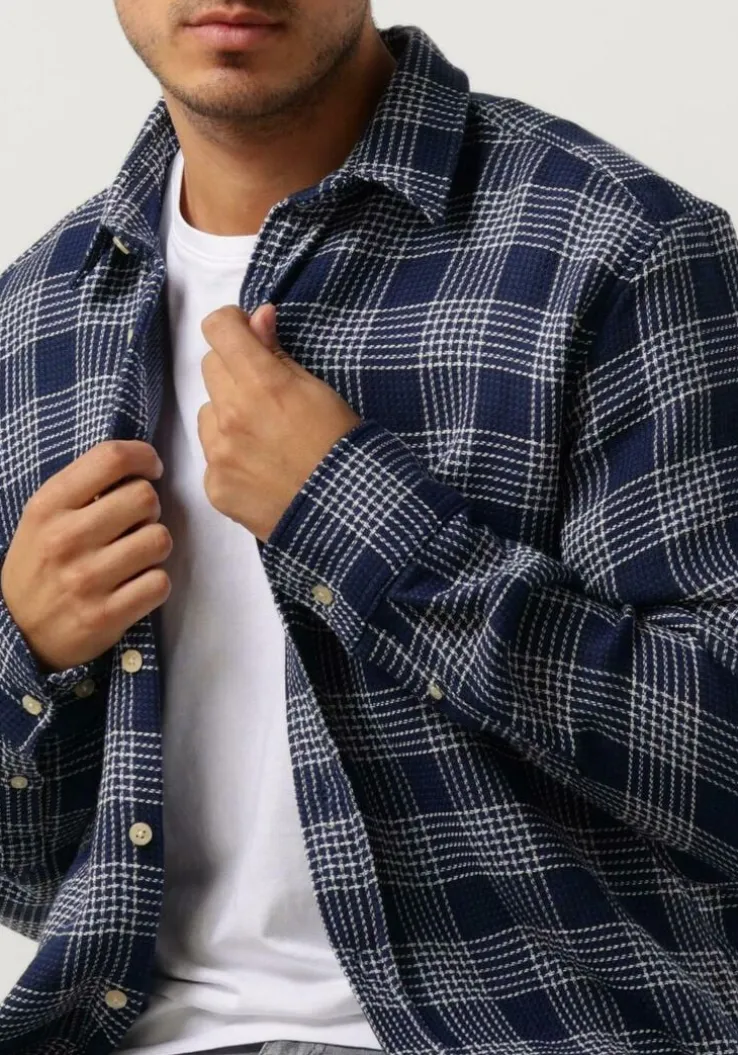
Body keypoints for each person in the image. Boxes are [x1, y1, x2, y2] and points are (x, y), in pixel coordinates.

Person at [1, 1, 738, 1053]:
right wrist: (25, 657)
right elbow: (33, 880)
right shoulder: (38, 317)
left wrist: (357, 519)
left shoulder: (615, 251)